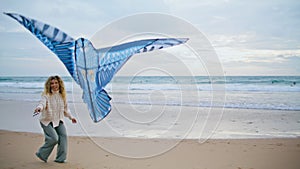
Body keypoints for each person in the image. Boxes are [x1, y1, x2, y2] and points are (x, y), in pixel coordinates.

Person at [34, 75, 77, 163]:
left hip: (58, 120)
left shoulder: (62, 96)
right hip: (46, 121)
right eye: (52, 83)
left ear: (59, 84)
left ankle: (60, 159)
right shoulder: (46, 95)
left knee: (63, 137)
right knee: (54, 139)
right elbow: (42, 104)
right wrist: (39, 108)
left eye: (56, 83)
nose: (54, 85)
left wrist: (71, 117)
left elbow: (66, 109)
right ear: (49, 85)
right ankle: (42, 154)